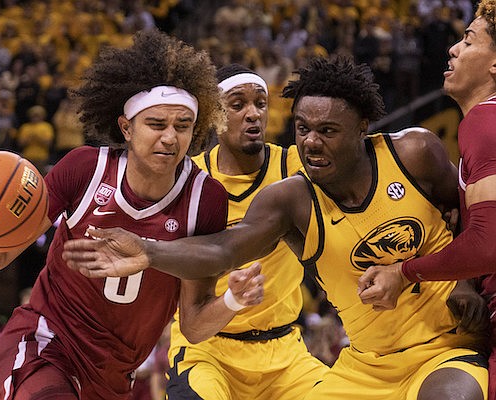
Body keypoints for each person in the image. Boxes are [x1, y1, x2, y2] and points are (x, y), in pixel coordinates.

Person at [69, 56, 490, 399]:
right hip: (228, 352)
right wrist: (148, 250)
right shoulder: (244, 191)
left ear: (362, 127)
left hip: (307, 349)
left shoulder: (397, 155)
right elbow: (221, 255)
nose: (310, 142)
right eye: (303, 129)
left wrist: (466, 282)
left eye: (261, 103)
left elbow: (474, 220)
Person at [0, 29, 264, 400]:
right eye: (156, 124)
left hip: (114, 377)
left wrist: (234, 301)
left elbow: (192, 326)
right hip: (50, 343)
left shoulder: (204, 198)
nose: (170, 138)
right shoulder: (85, 168)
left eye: (183, 126)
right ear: (126, 127)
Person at [357, 1, 496, 398]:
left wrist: (404, 273)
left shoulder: (484, 122)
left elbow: (488, 245)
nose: (453, 49)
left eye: (469, 41)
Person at [165, 63, 328, 399]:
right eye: (238, 105)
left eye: (260, 104)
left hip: (285, 354)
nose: (253, 114)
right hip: (208, 350)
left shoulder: (297, 168)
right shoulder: (187, 179)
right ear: (213, 117)